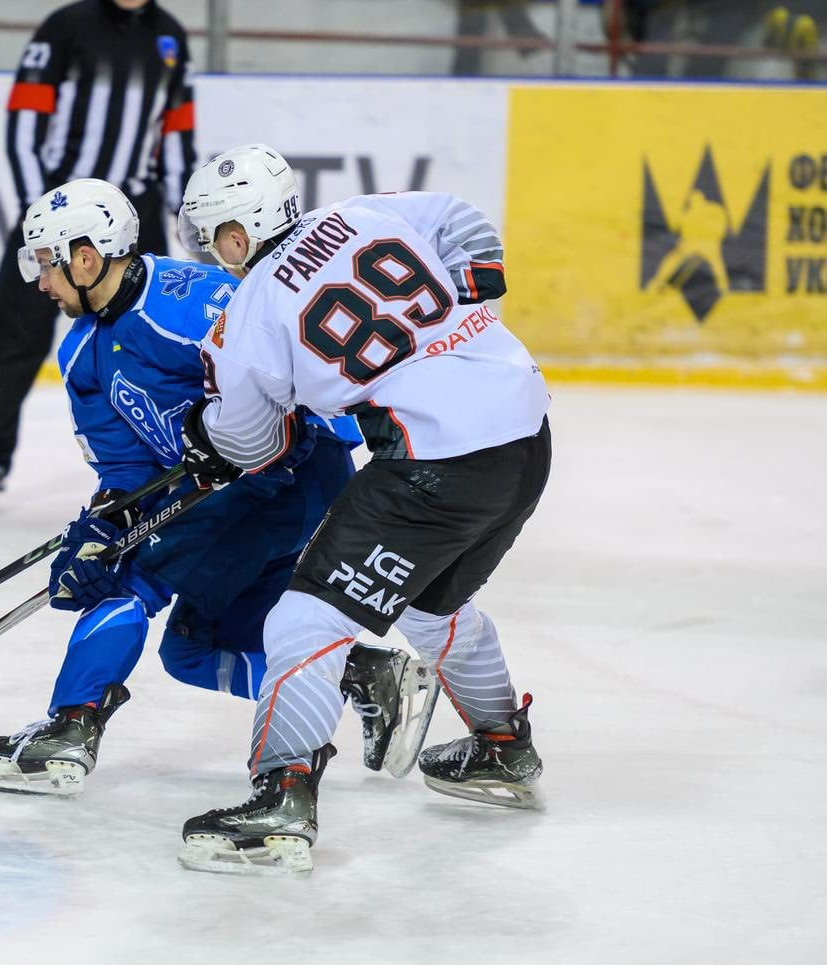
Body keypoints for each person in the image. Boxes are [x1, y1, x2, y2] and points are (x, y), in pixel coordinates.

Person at [0, 178, 430, 798]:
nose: (41, 282)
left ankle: (70, 729)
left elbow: (305, 389)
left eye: (47, 265)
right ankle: (363, 675)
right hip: (230, 495)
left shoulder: (192, 300)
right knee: (194, 649)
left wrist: (275, 447)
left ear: (85, 257)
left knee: (130, 578)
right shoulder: (80, 355)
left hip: (287, 476)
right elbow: (128, 471)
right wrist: (104, 523)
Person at [173, 144, 550, 876]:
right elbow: (459, 218)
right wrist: (473, 290)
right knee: (430, 611)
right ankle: (502, 747)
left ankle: (282, 799)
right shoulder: (360, 213)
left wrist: (202, 432)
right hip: (524, 433)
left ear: (241, 232)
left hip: (437, 464)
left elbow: (251, 444)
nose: (217, 255)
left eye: (216, 236)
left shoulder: (251, 307)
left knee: (302, 621)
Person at [0, 0, 197, 511]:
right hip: (58, 214)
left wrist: (185, 221)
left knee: (144, 335)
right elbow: (24, 122)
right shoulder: (67, 27)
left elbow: (176, 134)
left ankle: (161, 455)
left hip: (130, 215)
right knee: (15, 338)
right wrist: (35, 213)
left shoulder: (169, 36)